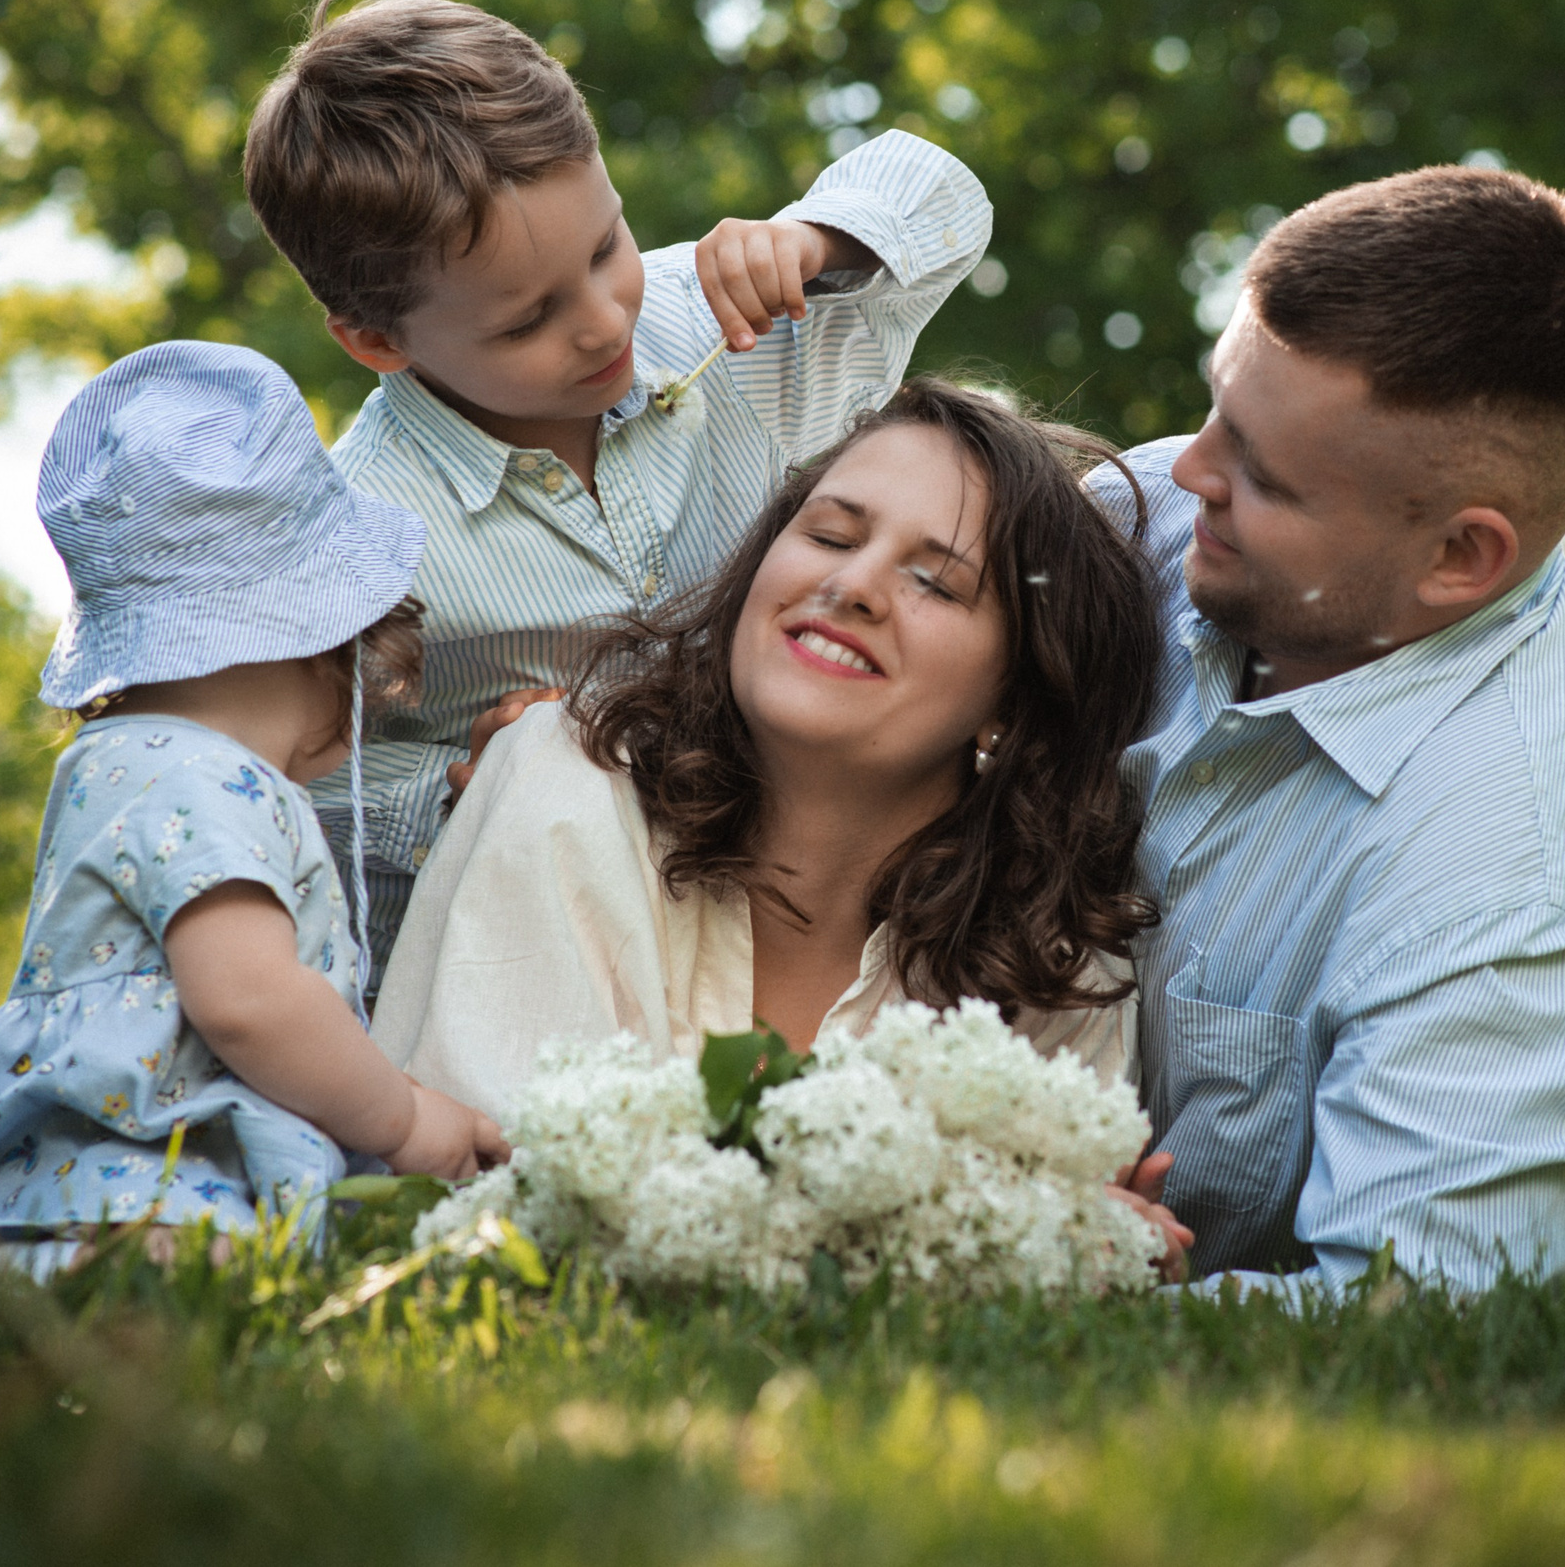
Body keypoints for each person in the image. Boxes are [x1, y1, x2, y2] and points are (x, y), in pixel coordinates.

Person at [241, 0, 993, 973]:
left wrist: (818, 240)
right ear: (377, 341)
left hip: (810, 916)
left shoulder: (727, 323)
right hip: (546, 955)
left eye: (606, 248)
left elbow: (945, 195)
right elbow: (288, 782)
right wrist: (450, 784)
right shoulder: (359, 538)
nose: (603, 323)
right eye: (527, 320)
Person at [370, 380, 1188, 1264]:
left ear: (1015, 702)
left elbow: (1045, 1278)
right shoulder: (564, 769)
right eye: (831, 535)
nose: (852, 584)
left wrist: (1095, 1244)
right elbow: (513, 1207)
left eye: (938, 584)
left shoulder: (1060, 957)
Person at [1090, 165, 1565, 1296]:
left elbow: (1413, 1310)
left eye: (1261, 476)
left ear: (1459, 558)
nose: (1186, 469)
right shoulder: (1155, 516)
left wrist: (1041, 1280)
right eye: (1218, 404)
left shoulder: (1522, 859)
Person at [0, 343, 508, 1278]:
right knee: (161, 1289)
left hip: (94, 1159)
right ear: (323, 641)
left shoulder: (122, 759)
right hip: (149, 1177)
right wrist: (404, 1116)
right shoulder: (203, 776)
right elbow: (250, 1000)